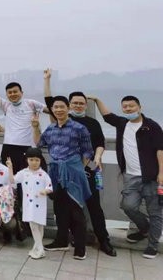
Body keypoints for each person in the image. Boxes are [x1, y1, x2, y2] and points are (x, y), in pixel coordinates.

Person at [44, 69, 116, 257]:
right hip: (65, 171)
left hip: (89, 168)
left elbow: (100, 143)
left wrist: (97, 158)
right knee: (64, 206)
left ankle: (104, 240)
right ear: (68, 105)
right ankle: (66, 238)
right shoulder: (60, 119)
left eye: (81, 103)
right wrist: (47, 80)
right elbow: (50, 102)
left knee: (93, 205)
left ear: (85, 105)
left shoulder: (92, 123)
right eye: (74, 103)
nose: (78, 105)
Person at [91, 94, 163, 259]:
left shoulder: (152, 126)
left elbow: (160, 150)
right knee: (128, 206)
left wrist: (161, 173)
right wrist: (96, 100)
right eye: (125, 107)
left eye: (131, 106)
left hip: (151, 177)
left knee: (155, 212)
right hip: (130, 176)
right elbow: (107, 116)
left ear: (139, 107)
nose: (128, 109)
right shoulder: (122, 123)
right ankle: (145, 228)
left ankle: (152, 245)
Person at [34, 96, 93, 260]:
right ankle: (61, 241)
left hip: (73, 172)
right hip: (55, 172)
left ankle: (80, 247)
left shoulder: (79, 128)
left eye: (62, 107)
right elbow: (38, 143)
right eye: (56, 107)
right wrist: (35, 127)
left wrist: (78, 167)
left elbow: (88, 151)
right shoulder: (51, 129)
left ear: (68, 108)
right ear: (52, 110)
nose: (59, 110)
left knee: (76, 208)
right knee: (59, 207)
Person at [7, 148, 53, 259]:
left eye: (37, 160)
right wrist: (10, 168)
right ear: (27, 160)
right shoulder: (24, 173)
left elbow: (50, 187)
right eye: (31, 159)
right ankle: (38, 248)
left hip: (40, 205)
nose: (34, 162)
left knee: (39, 226)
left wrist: (45, 191)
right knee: (33, 225)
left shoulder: (43, 174)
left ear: (40, 160)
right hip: (28, 204)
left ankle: (39, 248)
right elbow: (12, 180)